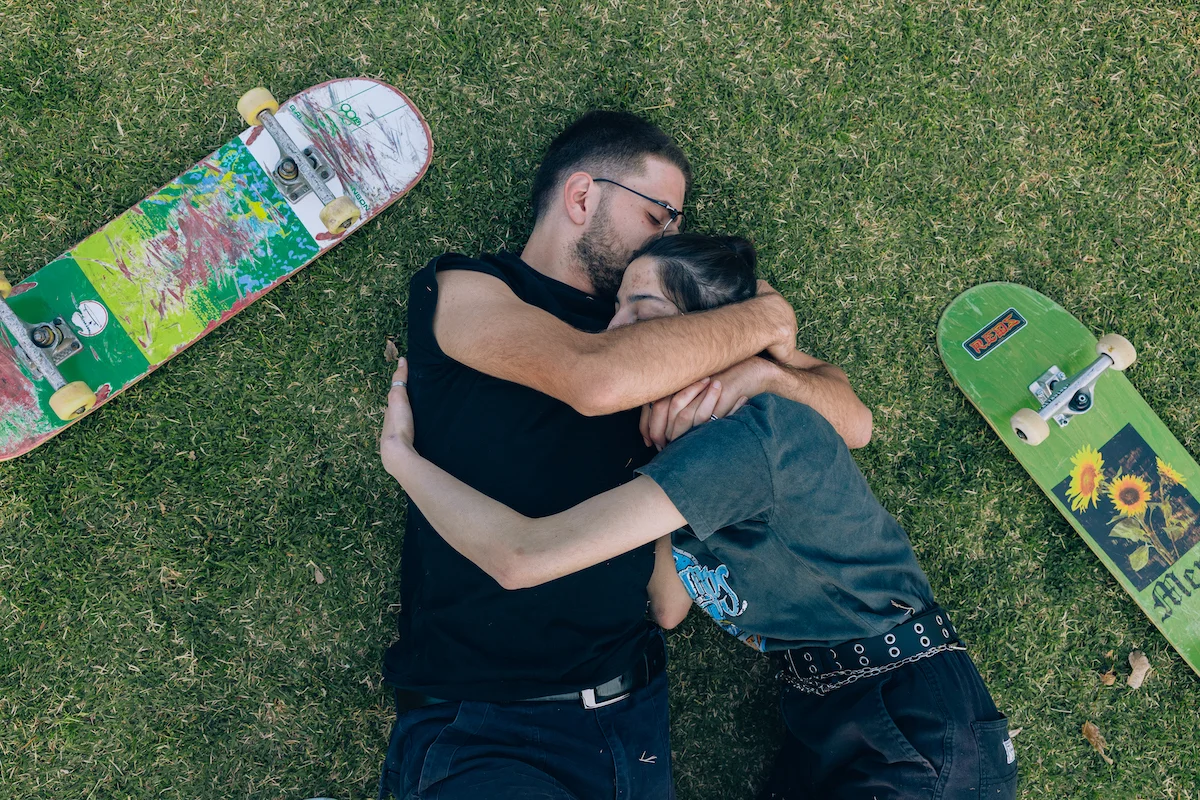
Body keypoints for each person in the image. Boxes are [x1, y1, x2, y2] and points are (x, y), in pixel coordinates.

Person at [379, 233, 1019, 800]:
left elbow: (522, 558)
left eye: (643, 310)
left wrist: (404, 459)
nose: (612, 329)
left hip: (913, 731)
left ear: (700, 335)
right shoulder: (697, 452)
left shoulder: (743, 443)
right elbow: (668, 606)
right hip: (837, 712)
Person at [377, 111, 873, 800]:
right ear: (583, 197)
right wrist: (764, 319)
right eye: (658, 214)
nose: (673, 236)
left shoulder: (677, 323)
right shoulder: (468, 289)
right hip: (487, 722)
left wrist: (766, 373)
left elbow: (851, 422)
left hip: (631, 718)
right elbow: (594, 379)